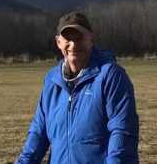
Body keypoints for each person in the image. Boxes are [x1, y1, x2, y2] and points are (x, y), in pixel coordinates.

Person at [16, 12, 139, 163]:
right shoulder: (52, 80)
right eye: (68, 39)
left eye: (80, 38)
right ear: (58, 42)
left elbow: (122, 131)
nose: (73, 45)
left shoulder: (111, 76)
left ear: (92, 39)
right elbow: (39, 132)